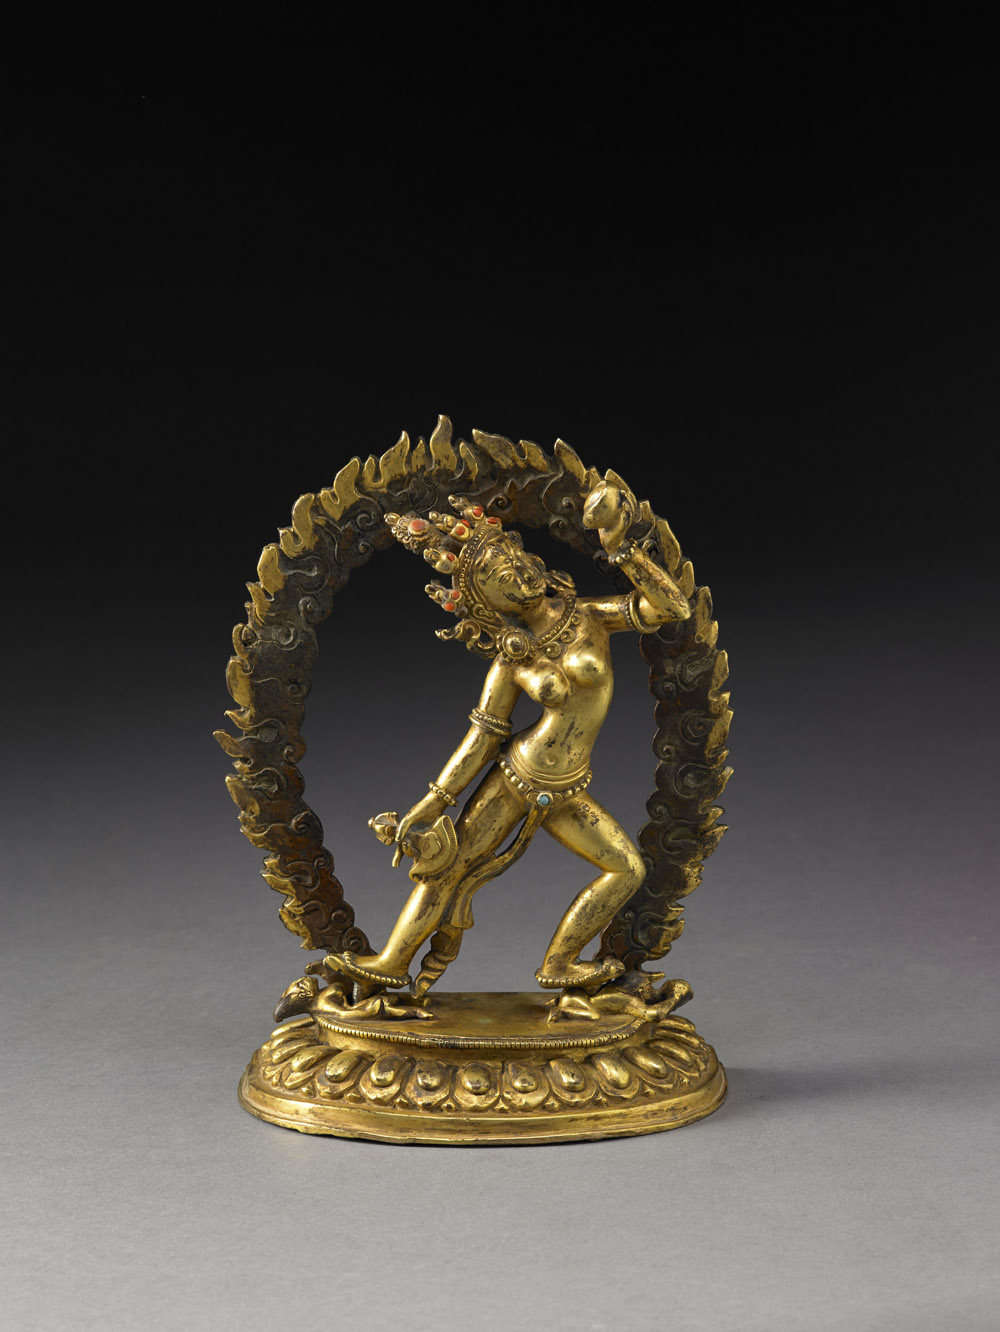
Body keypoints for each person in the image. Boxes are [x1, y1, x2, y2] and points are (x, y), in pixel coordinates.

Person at [327, 478, 690, 998]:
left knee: (626, 869)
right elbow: (479, 740)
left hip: (567, 785)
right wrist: (433, 803)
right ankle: (391, 962)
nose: (518, 575)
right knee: (449, 870)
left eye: (516, 562)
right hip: (517, 776)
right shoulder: (511, 659)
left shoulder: (589, 617)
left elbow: (672, 609)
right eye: (501, 578)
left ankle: (560, 964)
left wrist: (622, 549)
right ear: (486, 602)